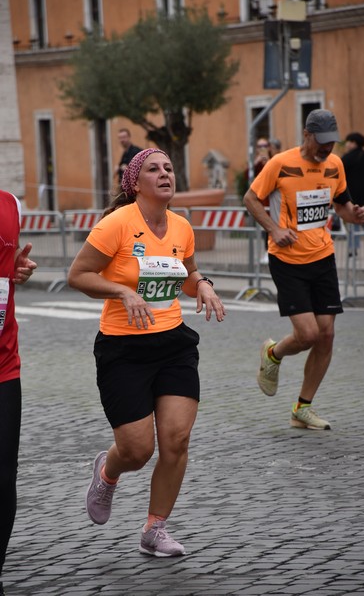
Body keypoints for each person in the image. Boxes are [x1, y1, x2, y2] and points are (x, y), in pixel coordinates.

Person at [67, 148, 226, 557]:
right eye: (154, 169)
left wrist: (204, 283)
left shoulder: (181, 226)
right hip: (123, 348)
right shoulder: (116, 224)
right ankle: (107, 473)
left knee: (176, 440)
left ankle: (155, 529)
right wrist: (122, 290)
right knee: (138, 450)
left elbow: (187, 275)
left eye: (169, 168)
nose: (164, 174)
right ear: (135, 183)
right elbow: (78, 275)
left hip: (172, 343)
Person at [243, 109, 364, 430]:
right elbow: (251, 198)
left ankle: (302, 408)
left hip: (322, 256)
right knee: (309, 334)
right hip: (287, 260)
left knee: (326, 335)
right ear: (307, 134)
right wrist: (273, 229)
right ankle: (273, 354)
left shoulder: (335, 165)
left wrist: (355, 215)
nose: (327, 149)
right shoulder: (280, 164)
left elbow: (341, 204)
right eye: (322, 142)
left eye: (332, 143)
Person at [0, 191, 37, 596]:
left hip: (3, 363)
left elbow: (4, 275)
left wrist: (13, 270)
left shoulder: (10, 203)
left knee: (3, 476)